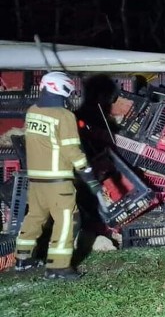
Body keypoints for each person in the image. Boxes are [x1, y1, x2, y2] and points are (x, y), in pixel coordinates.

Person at [16, 71, 102, 280]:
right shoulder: (64, 116)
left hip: (36, 179)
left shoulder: (33, 111)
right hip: (58, 181)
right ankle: (58, 266)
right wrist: (88, 172)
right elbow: (72, 151)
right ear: (60, 89)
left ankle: (22, 258)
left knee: (35, 217)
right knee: (66, 220)